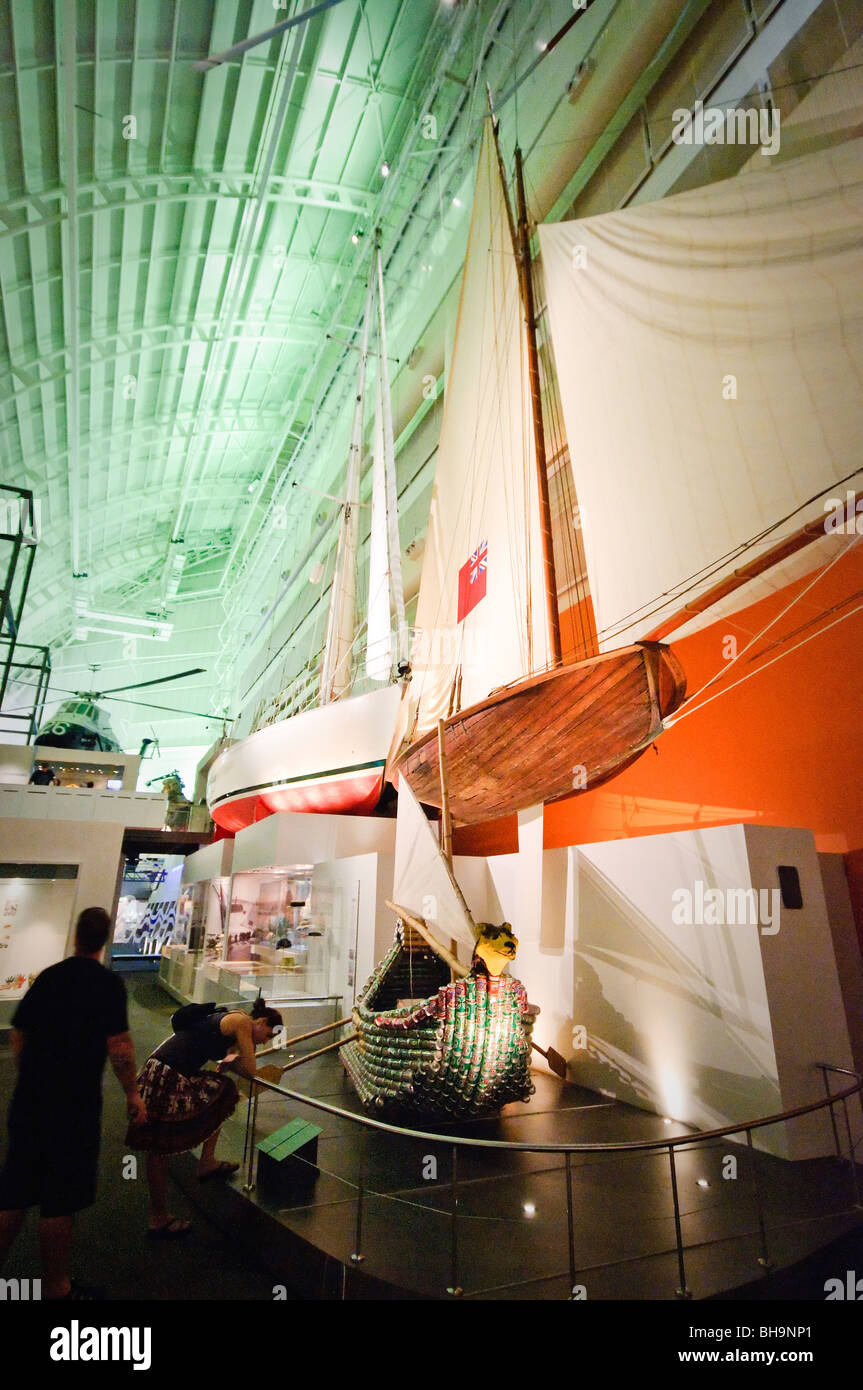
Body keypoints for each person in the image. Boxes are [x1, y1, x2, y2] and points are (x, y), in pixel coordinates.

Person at [0, 906, 146, 1300]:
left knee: (14, 1192)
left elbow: (19, 1035)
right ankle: (56, 1288)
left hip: (29, 1100)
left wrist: (32, 1073)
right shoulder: (107, 985)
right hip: (74, 1107)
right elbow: (119, 1048)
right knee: (58, 1200)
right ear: (103, 940)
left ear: (77, 936)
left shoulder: (50, 977)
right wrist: (132, 1093)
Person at [127, 997, 282, 1238]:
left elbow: (231, 1067)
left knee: (222, 1092)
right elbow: (250, 1070)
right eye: (268, 1035)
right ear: (261, 1021)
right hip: (166, 1073)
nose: (265, 1041)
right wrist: (247, 1052)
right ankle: (159, 1216)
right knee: (158, 1146)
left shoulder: (232, 1019)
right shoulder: (241, 1022)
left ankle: (206, 1162)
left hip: (169, 1069)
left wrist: (235, 1061)